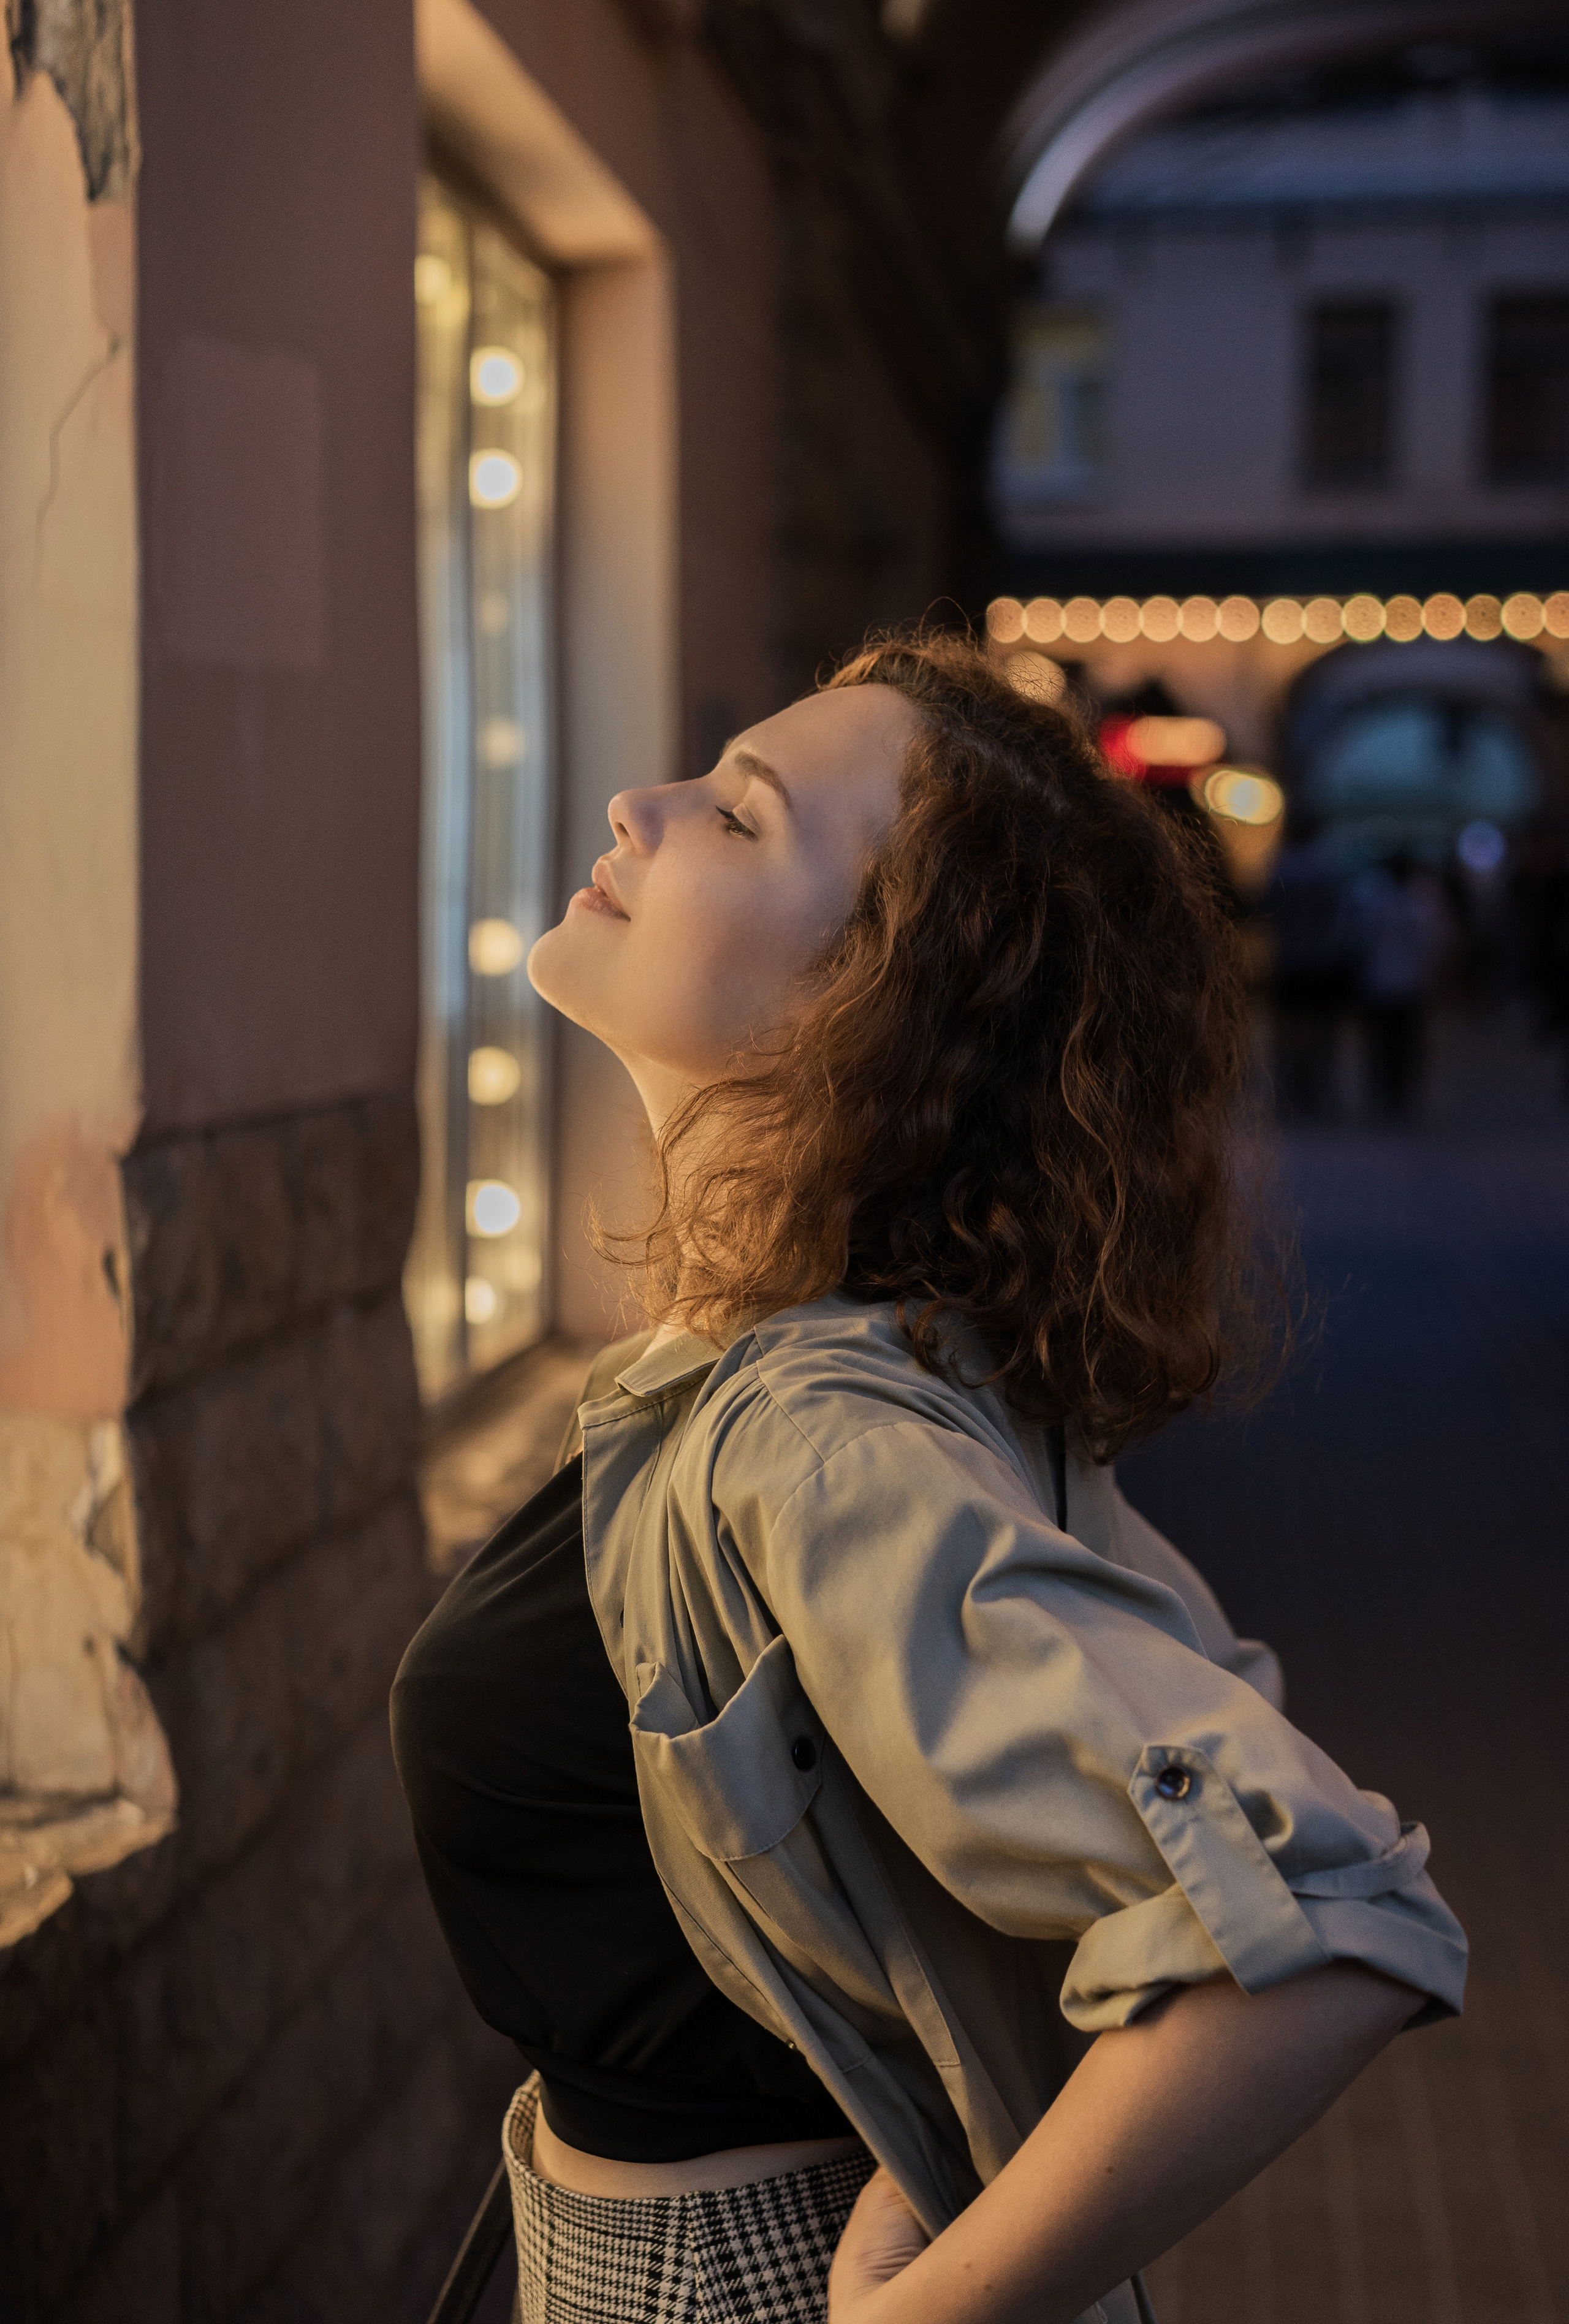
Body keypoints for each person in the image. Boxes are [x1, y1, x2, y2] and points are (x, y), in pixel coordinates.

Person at [392, 634, 1465, 2324]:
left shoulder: (817, 1431)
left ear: (868, 1001)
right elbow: (1185, 1693)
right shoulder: (869, 1363)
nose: (638, 804)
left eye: (739, 819)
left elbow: (1330, 1914)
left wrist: (939, 2309)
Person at [1351, 848, 1452, 1120]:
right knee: (1384, 1043)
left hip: (1409, 983)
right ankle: (1385, 1093)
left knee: (1406, 1044)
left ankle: (1402, 1095)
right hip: (1383, 982)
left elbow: (1436, 941)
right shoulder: (1377, 895)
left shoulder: (1421, 896)